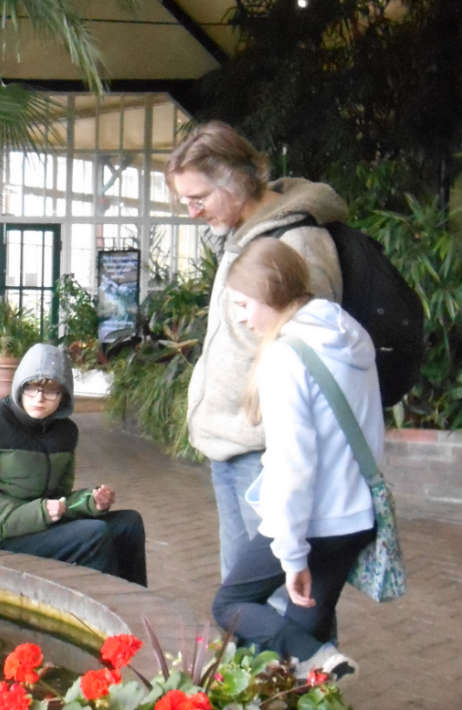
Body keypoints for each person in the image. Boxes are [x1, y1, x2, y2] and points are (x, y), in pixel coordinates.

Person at [165, 120, 350, 584]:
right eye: (184, 200)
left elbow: (314, 357)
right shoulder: (244, 235)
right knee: (243, 594)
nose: (191, 212)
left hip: (267, 455)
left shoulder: (296, 244)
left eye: (198, 198)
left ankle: (305, 661)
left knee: (282, 596)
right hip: (234, 447)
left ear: (237, 181)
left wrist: (284, 452)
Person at [210, 238, 381, 678]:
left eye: (245, 303)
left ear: (270, 293)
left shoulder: (287, 356)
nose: (243, 317)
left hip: (315, 519)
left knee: (230, 603)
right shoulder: (347, 332)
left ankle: (325, 663)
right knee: (300, 638)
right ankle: (315, 708)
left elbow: (293, 465)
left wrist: (291, 554)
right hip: (355, 516)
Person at [0, 342, 147, 586]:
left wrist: (90, 501)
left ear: (64, 395)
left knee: (129, 524)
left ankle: (138, 607)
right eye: (32, 388)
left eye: (51, 390)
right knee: (93, 536)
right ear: (19, 386)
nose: (39, 398)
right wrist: (40, 512)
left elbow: (58, 500)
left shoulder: (65, 433)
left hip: (30, 523)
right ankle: (105, 616)